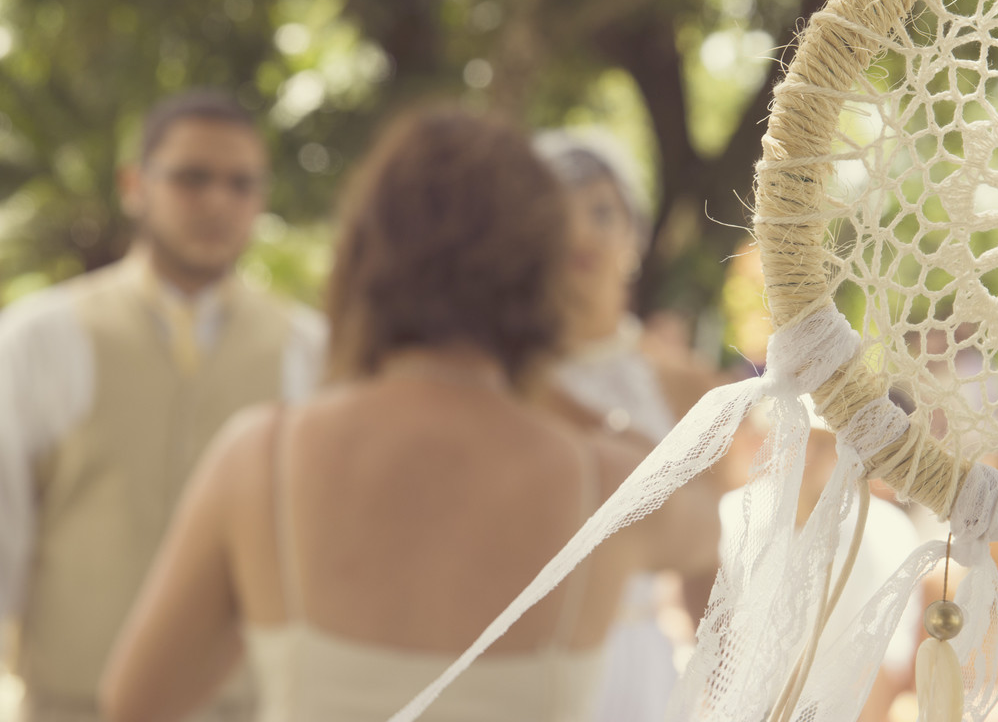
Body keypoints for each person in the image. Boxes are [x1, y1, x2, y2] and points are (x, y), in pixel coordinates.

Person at [99, 107, 720, 722]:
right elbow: (711, 526)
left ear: (364, 257)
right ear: (540, 271)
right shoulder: (606, 481)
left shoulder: (260, 456)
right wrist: (560, 398)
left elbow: (136, 703)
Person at [0, 89, 327, 722]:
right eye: (192, 177)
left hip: (247, 706)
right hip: (73, 701)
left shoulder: (310, 349)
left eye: (241, 184)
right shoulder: (40, 338)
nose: (217, 202)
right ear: (135, 185)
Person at [533, 130, 723, 722]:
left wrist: (736, 691)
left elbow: (704, 569)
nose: (581, 231)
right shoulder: (497, 377)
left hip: (633, 669)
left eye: (601, 210)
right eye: (555, 214)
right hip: (519, 656)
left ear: (634, 236)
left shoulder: (687, 385)